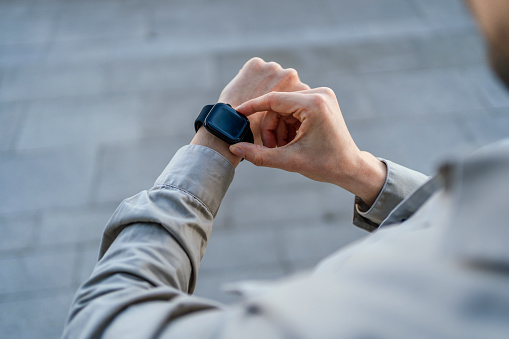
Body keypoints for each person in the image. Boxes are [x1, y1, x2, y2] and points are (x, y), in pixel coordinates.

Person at [62, 0, 509, 337]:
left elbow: (104, 321)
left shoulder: (399, 303)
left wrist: (213, 143)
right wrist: (361, 173)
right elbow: (453, 224)